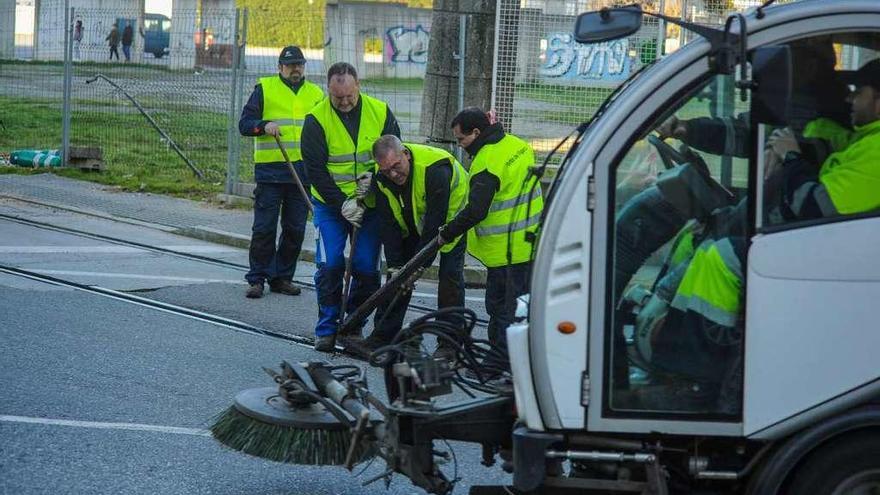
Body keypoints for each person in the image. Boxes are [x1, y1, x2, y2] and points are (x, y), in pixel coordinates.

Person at [301, 62, 401, 352]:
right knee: (330, 264)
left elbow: (394, 156)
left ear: (358, 85)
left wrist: (373, 186)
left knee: (366, 268)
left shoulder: (380, 112)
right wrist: (342, 204)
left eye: (349, 96)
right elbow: (315, 172)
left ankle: (353, 323)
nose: (344, 103)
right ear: (328, 90)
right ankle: (327, 327)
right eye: (337, 98)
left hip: (369, 206)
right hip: (331, 206)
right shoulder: (316, 120)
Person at [439, 107, 544, 367]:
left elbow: (475, 210)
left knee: (501, 309)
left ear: (476, 132)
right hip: (530, 239)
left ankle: (499, 363)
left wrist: (447, 233)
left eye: (461, 139)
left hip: (506, 249)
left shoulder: (486, 163)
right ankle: (523, 359)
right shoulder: (518, 145)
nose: (460, 146)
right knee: (522, 306)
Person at [353, 135, 468, 354]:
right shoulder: (381, 178)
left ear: (405, 154)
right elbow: (389, 226)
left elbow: (436, 224)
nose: (394, 174)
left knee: (449, 278)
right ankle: (383, 336)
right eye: (387, 170)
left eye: (397, 166)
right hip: (415, 219)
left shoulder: (435, 169)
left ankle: (449, 345)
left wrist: (419, 267)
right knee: (397, 277)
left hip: (452, 220)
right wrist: (398, 267)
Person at [238, 46, 323, 299]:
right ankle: (257, 279)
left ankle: (282, 277)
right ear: (280, 67)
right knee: (264, 228)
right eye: (290, 65)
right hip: (271, 173)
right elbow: (244, 124)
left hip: (302, 175)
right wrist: (263, 126)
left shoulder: (316, 95)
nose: (295, 69)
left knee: (295, 229)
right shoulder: (264, 89)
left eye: (299, 64)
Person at [767, 58, 880, 219]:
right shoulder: (863, 138)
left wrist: (791, 157)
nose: (849, 99)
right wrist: (777, 148)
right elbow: (821, 143)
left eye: (858, 92)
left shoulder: (877, 152)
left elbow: (813, 207)